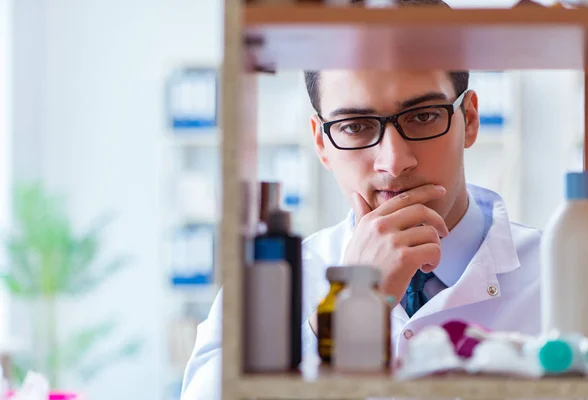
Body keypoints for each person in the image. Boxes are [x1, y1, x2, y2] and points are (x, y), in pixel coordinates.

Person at [181, 0, 542, 398]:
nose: (394, 161)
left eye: (422, 116)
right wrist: (346, 311)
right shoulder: (272, 283)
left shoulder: (560, 274)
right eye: (355, 126)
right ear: (321, 143)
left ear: (468, 120)